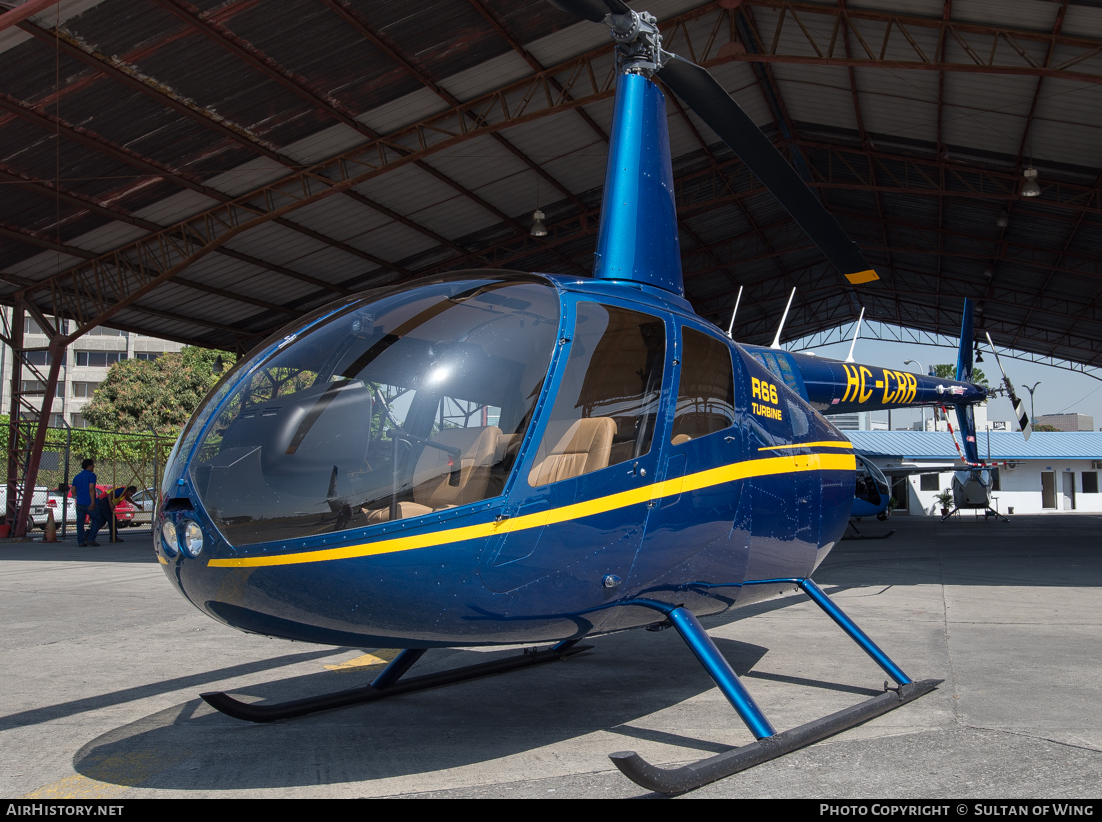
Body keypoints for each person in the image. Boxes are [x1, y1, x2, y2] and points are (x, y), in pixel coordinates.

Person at [71, 459, 101, 547]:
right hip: (89, 502)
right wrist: (92, 502)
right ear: (89, 466)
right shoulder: (92, 475)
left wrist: (80, 495)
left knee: (80, 522)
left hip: (80, 502)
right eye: (93, 465)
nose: (94, 467)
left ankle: (81, 541)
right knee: (97, 519)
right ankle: (91, 538)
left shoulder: (77, 477)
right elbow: (91, 488)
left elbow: (73, 491)